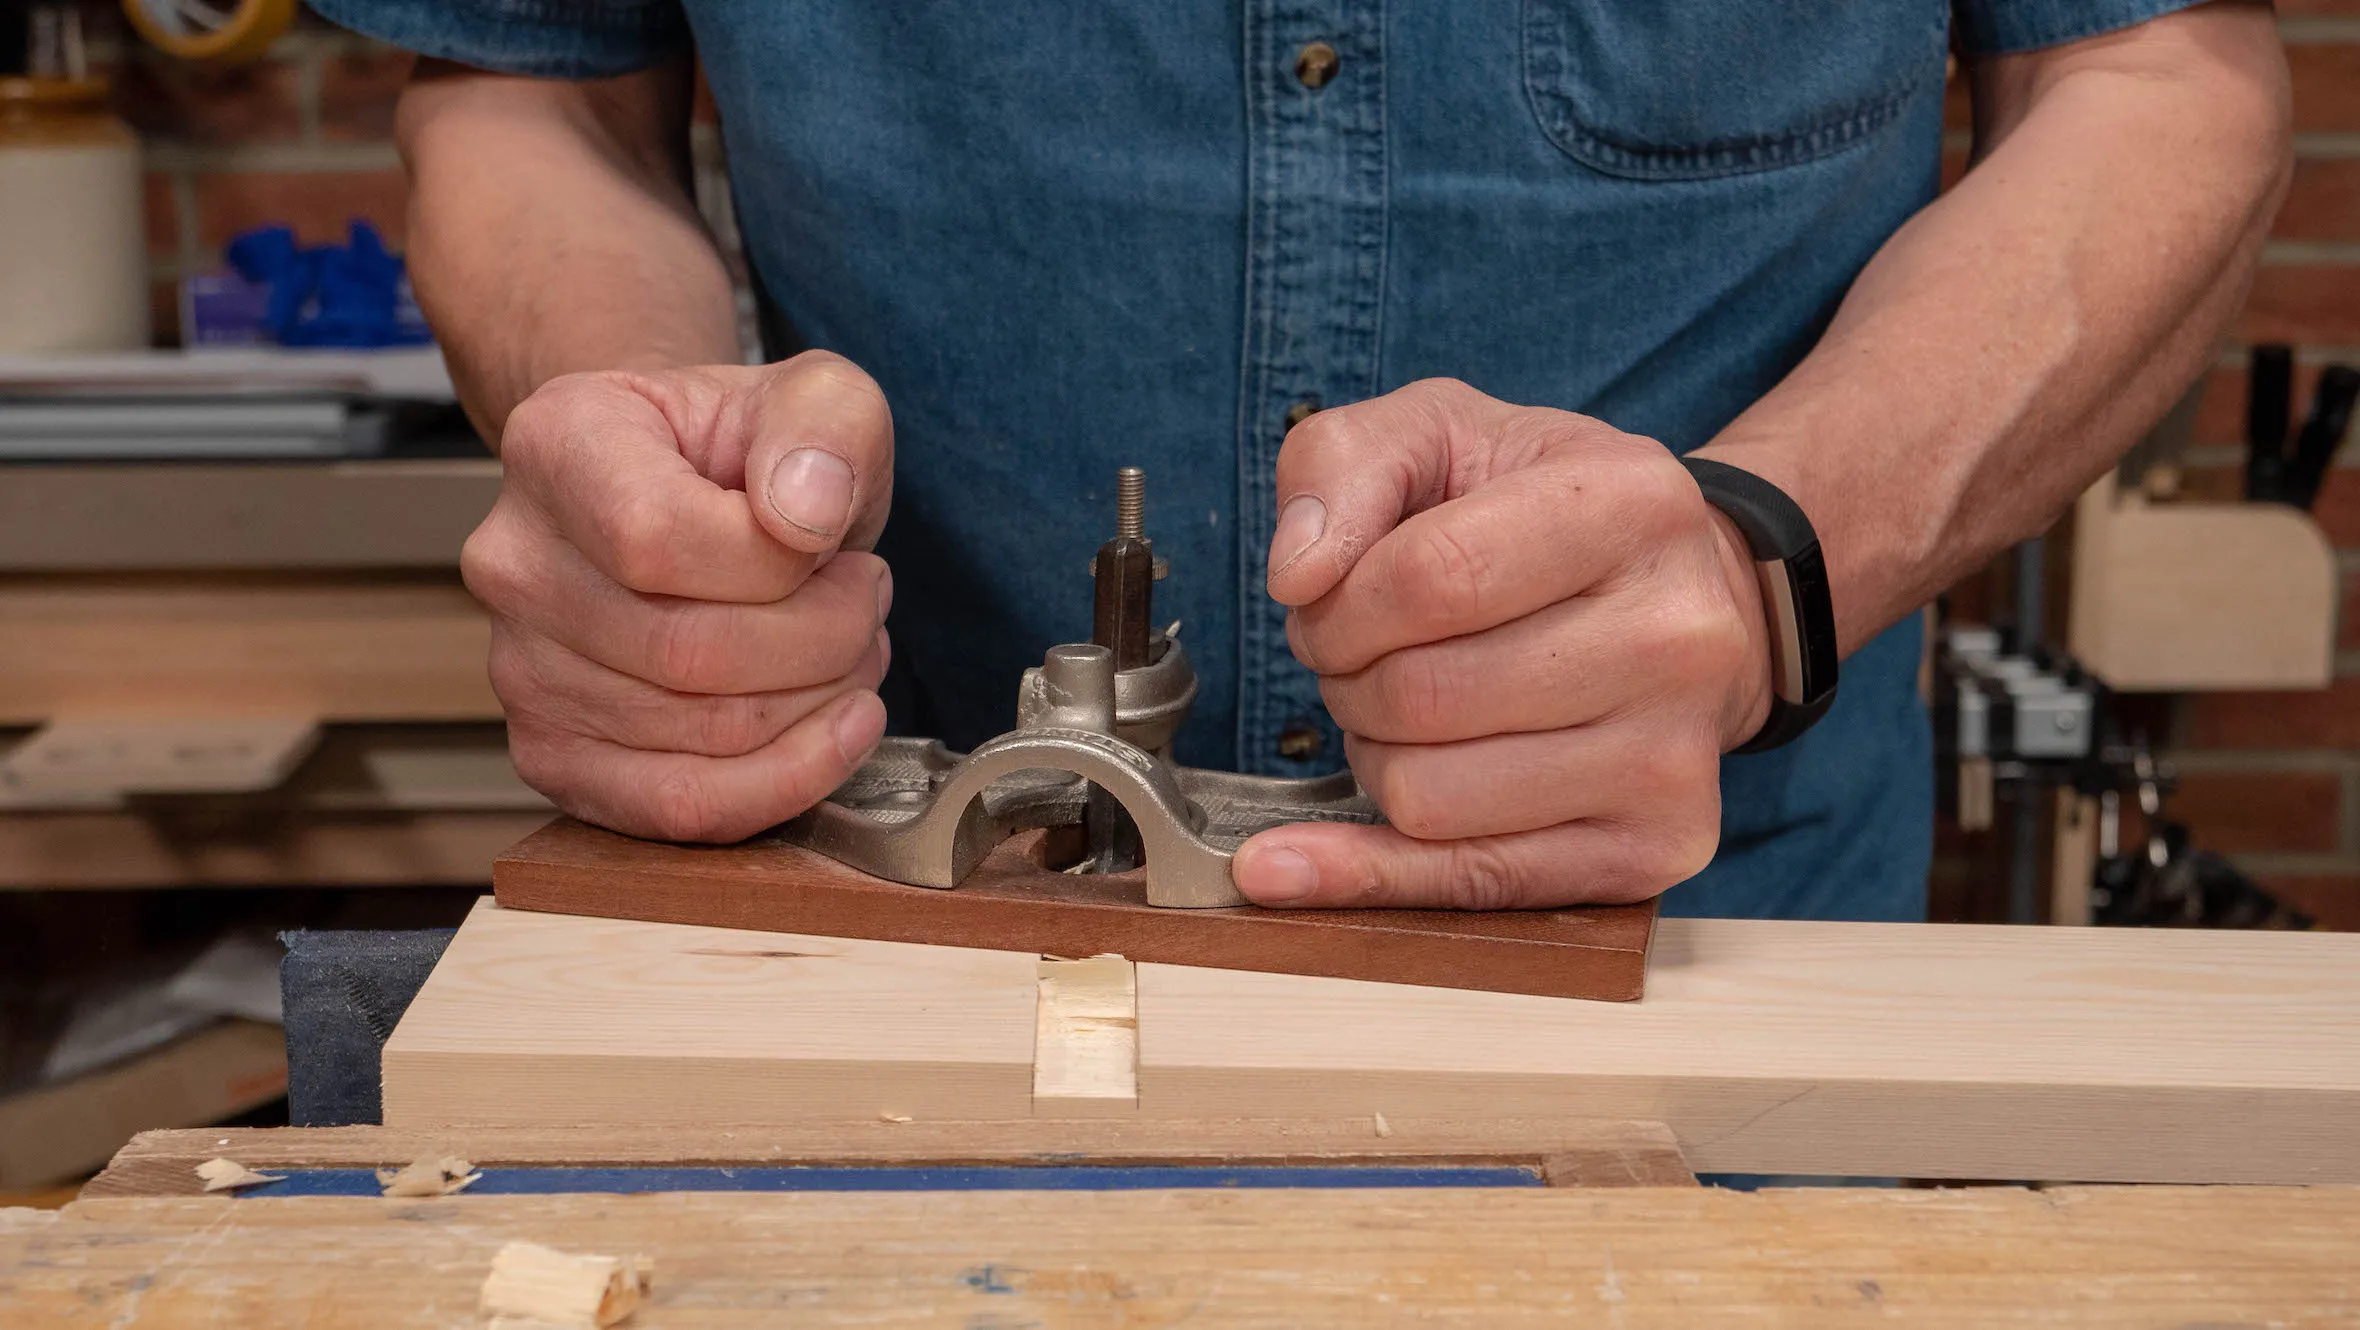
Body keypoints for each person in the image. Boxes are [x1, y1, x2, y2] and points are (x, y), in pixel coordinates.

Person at [317, 0, 2287, 921]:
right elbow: (533, 93)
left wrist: (1767, 543)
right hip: (900, 905)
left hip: (1704, 921)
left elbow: (2153, 83)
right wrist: (662, 464)